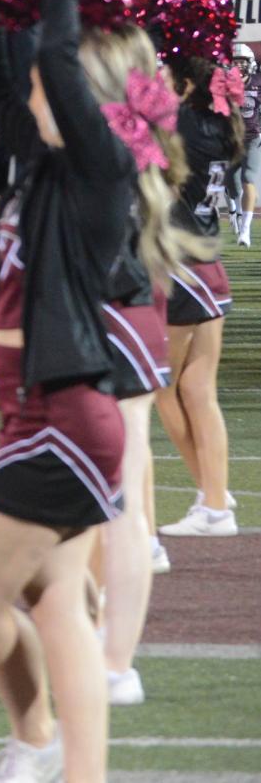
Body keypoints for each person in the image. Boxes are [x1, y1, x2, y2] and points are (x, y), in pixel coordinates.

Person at [0, 0, 200, 782]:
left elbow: (52, 61)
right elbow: (10, 80)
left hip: (60, 419)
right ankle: (59, 758)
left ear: (87, 104)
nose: (32, 96)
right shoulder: (52, 169)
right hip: (42, 413)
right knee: (52, 598)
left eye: (50, 89)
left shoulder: (100, 174)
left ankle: (37, 743)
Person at [154, 50, 244, 540]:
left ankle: (213, 500)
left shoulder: (179, 126)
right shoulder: (217, 125)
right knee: (196, 390)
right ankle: (215, 498)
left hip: (181, 268)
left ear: (185, 83)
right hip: (208, 265)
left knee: (162, 388)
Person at [230, 41, 258, 246]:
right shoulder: (223, 85)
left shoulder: (258, 82)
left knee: (249, 177)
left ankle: (245, 230)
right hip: (230, 138)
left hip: (253, 136)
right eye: (235, 61)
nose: (239, 66)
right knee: (231, 183)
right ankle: (236, 213)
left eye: (242, 61)